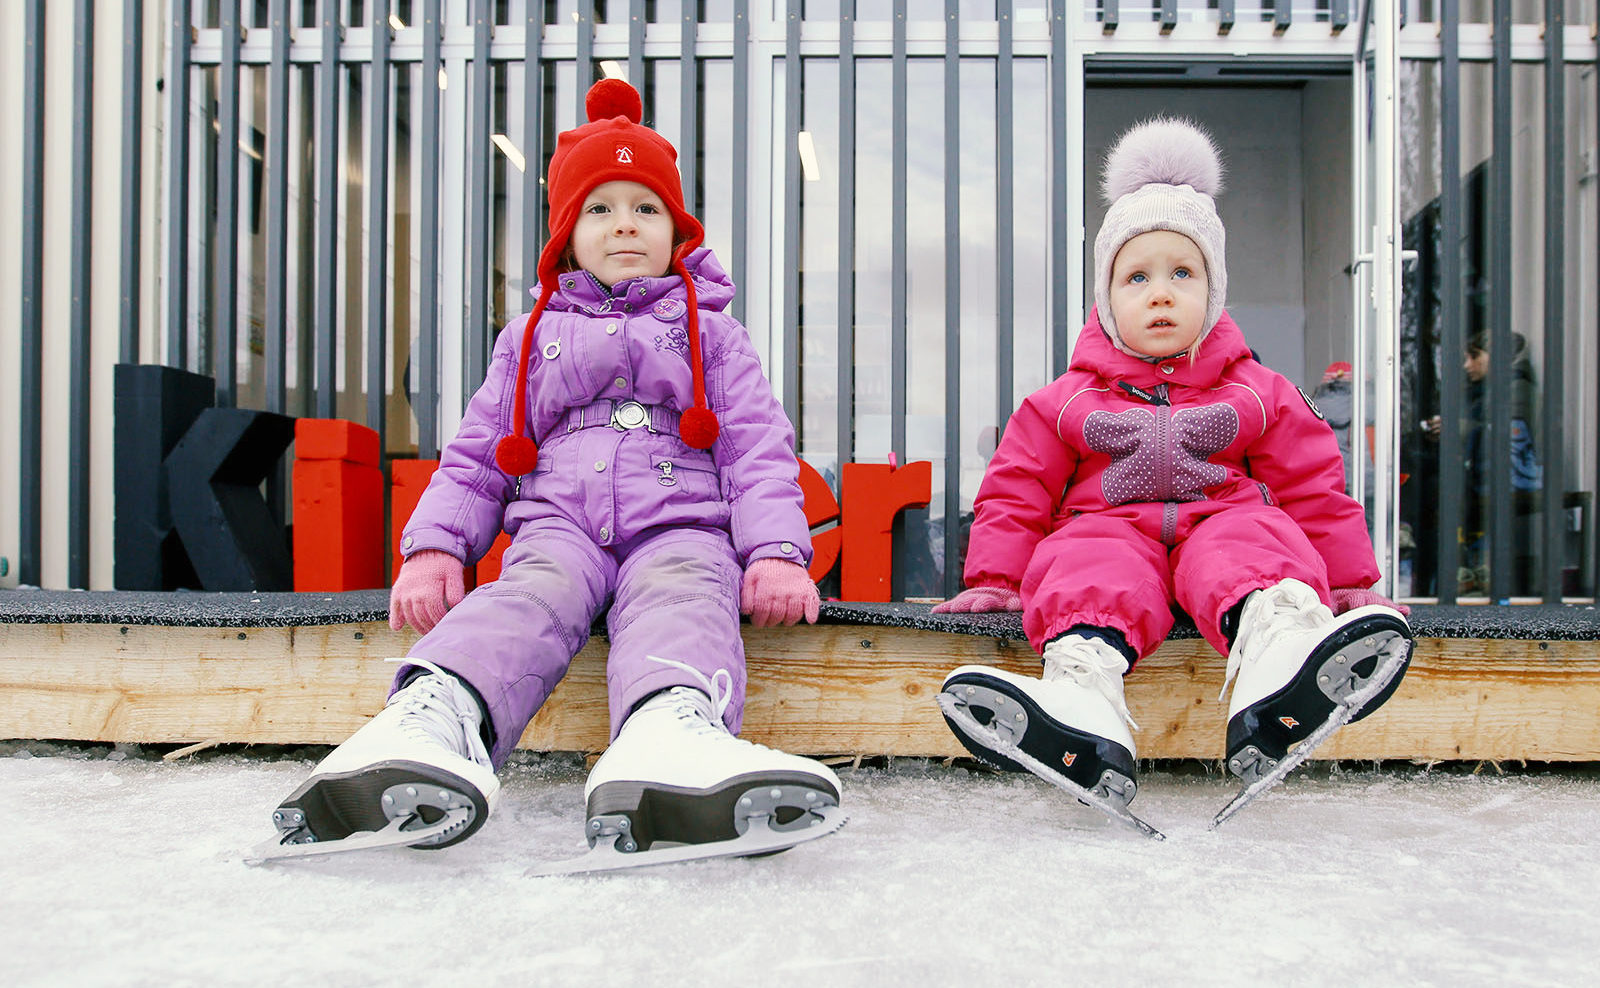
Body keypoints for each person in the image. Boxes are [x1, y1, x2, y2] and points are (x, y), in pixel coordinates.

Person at [266, 80, 839, 861]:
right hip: (559, 527)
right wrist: (435, 546)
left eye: (646, 208)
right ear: (567, 238)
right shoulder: (530, 339)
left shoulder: (714, 336)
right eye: (599, 209)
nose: (625, 224)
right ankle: (433, 718)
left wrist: (775, 551)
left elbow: (756, 449)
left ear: (677, 232)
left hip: (682, 526)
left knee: (684, 599)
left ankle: (669, 730)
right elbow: (478, 451)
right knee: (523, 601)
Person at [932, 117, 1410, 812]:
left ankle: (1283, 656)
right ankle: (1080, 698)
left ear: (1213, 291)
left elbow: (1311, 485)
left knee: (1255, 539)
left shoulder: (1257, 390)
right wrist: (997, 579)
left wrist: (1349, 582)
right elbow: (1017, 488)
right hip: (1110, 528)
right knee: (1086, 560)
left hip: (1221, 523)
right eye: (1137, 277)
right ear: (1106, 299)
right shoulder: (1065, 401)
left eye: (1183, 273)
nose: (1160, 293)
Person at [1425, 331, 1543, 595]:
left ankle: (1466, 570)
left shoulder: (1516, 389)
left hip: (1506, 479)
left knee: (1438, 491)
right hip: (1487, 476)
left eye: (1474, 356)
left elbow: (1503, 439)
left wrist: (1459, 428)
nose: (1468, 365)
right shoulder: (1490, 391)